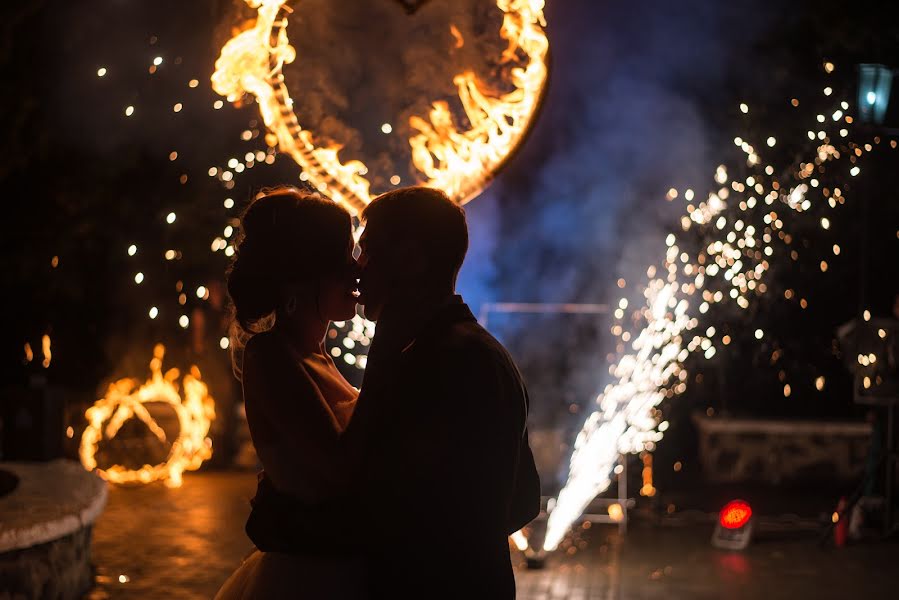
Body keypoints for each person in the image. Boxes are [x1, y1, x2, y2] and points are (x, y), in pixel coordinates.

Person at [245, 186, 540, 598]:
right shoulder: (458, 349)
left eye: (367, 250)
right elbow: (524, 498)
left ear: (411, 258)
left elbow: (391, 505)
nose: (358, 268)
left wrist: (289, 522)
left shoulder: (444, 359)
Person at [214, 188, 367, 599]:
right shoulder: (271, 356)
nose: (357, 270)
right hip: (309, 580)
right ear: (302, 276)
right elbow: (339, 465)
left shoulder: (319, 355)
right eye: (342, 260)